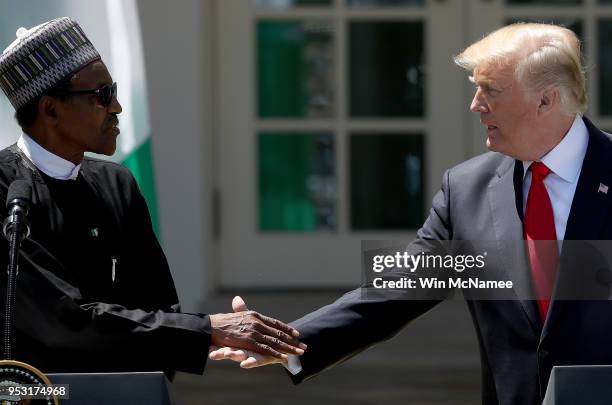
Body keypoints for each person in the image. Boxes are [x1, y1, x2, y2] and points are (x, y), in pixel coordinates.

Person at [210, 22, 612, 404]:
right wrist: (289, 339)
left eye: (491, 90)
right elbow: (396, 289)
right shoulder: (467, 189)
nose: (476, 105)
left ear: (546, 99)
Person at [0, 17, 306, 376]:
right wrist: (209, 330)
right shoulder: (6, 189)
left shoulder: (116, 183)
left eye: (112, 91)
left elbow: (160, 305)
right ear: (51, 109)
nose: (116, 108)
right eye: (102, 96)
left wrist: (196, 340)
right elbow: (63, 320)